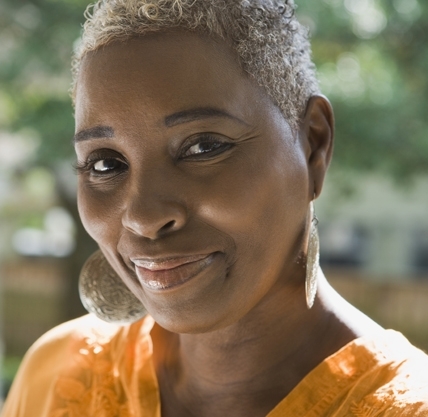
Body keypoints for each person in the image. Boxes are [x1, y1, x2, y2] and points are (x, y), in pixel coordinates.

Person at [2, 0, 428, 416]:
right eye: (105, 164)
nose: (144, 218)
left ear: (313, 145)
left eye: (203, 147)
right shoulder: (57, 377)